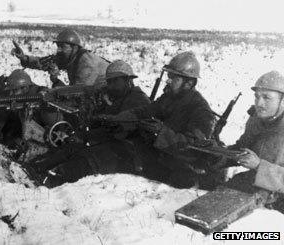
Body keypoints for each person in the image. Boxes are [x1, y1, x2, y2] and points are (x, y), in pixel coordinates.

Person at [17, 60, 151, 187]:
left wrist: (88, 136)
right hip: (119, 143)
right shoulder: (121, 98)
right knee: (74, 144)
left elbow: (116, 129)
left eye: (115, 81)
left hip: (131, 151)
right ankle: (38, 168)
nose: (111, 86)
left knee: (87, 157)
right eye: (109, 82)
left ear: (128, 80)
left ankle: (54, 181)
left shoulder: (138, 100)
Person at [100, 51, 216, 188]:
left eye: (174, 78)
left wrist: (161, 132)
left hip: (180, 172)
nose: (168, 80)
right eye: (169, 76)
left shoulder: (200, 110)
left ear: (189, 83)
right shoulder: (169, 98)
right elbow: (144, 111)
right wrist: (116, 119)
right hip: (159, 158)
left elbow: (194, 148)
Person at [226, 71, 284, 210]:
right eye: (257, 97)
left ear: (282, 101)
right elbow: (242, 148)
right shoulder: (255, 120)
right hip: (257, 185)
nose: (259, 103)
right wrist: (219, 153)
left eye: (266, 98)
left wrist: (259, 166)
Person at [12, 28, 109, 87]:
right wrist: (24, 58)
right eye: (58, 46)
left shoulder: (87, 65)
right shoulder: (69, 57)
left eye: (62, 46)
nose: (58, 50)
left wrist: (56, 81)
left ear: (74, 47)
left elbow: (77, 95)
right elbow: (44, 62)